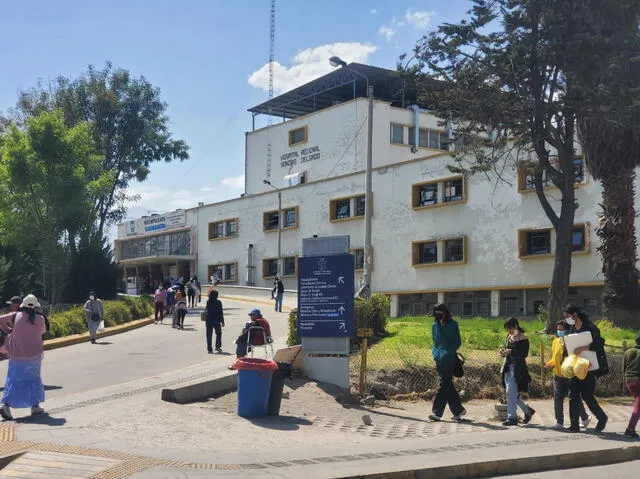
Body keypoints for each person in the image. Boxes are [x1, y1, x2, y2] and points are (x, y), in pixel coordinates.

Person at [0, 294, 47, 420]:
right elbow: (43, 331)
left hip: (16, 356)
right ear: (35, 307)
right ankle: (35, 406)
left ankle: (6, 404)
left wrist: (9, 330)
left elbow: (0, 320)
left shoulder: (15, 316)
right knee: (33, 379)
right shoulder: (40, 319)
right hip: (34, 356)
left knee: (13, 380)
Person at [564, 304, 608, 433]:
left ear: (574, 315)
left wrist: (584, 348)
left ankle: (602, 418)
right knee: (573, 396)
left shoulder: (591, 328)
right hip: (575, 366)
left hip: (589, 367)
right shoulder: (571, 330)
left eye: (567, 316)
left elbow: (599, 344)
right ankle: (574, 425)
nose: (566, 319)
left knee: (587, 396)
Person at [544, 320, 591, 430]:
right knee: (558, 398)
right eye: (558, 329)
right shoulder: (556, 341)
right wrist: (549, 364)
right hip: (557, 375)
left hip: (569, 375)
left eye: (561, 329)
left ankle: (584, 417)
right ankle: (559, 422)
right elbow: (555, 358)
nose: (559, 331)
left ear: (567, 330)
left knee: (573, 398)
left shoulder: (572, 342)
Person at [428, 304, 466, 422]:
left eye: (440, 313)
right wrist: (436, 354)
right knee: (447, 384)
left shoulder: (453, 324)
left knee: (444, 384)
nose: (438, 316)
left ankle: (437, 413)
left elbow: (457, 342)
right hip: (439, 358)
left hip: (449, 358)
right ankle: (458, 410)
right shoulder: (435, 325)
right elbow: (435, 341)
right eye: (436, 314)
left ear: (445, 313)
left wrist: (448, 352)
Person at [500, 317, 535, 426]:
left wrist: (510, 351)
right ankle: (527, 411)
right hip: (507, 367)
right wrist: (503, 351)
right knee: (512, 393)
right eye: (507, 329)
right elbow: (506, 349)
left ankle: (512, 417)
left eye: (510, 329)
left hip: (518, 369)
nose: (509, 331)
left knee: (510, 392)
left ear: (516, 326)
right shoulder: (508, 336)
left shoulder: (524, 338)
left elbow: (524, 353)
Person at [622, 335, 640, 438]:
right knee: (638, 406)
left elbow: (623, 368)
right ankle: (630, 429)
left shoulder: (628, 352)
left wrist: (624, 382)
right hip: (638, 381)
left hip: (629, 380)